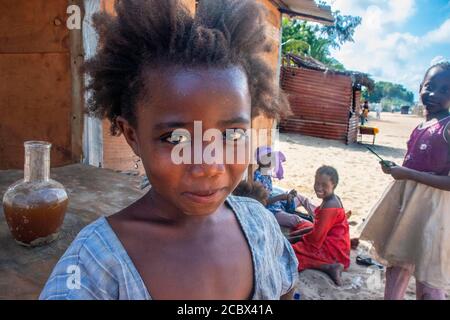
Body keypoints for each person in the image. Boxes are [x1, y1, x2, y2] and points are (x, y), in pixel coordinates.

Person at [40, 0, 298, 300]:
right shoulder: (94, 268)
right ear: (132, 135)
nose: (209, 165)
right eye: (176, 139)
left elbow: (284, 287)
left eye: (231, 134)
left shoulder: (261, 228)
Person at [360, 61, 450, 300]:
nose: (434, 94)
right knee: (398, 264)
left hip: (434, 211)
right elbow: (415, 161)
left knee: (428, 279)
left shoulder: (448, 126)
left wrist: (407, 173)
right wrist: (396, 170)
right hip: (406, 205)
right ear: (420, 87)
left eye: (445, 90)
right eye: (430, 86)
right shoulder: (422, 125)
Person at [290, 166, 351, 286]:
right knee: (304, 225)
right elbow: (319, 228)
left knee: (291, 254)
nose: (318, 188)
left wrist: (292, 239)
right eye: (317, 183)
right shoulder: (331, 199)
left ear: (333, 185)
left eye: (324, 185)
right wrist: (297, 235)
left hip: (334, 250)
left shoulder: (330, 206)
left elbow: (315, 239)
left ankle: (329, 267)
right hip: (337, 242)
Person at [253, 146, 303, 229]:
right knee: (296, 220)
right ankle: (316, 228)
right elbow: (262, 202)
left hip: (277, 206)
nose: (272, 161)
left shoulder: (266, 174)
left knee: (301, 198)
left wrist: (287, 196)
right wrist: (281, 197)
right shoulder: (258, 178)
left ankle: (320, 217)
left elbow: (271, 194)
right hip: (270, 212)